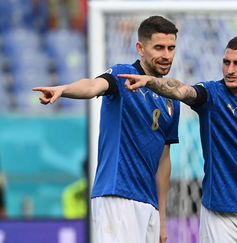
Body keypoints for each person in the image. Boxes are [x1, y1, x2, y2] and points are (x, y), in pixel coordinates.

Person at [118, 34, 237, 243]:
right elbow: (182, 90)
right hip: (219, 216)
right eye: (226, 62)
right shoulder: (211, 95)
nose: (230, 70)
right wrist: (152, 82)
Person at [32, 16, 180, 243]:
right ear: (140, 48)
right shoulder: (123, 75)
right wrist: (64, 89)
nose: (166, 55)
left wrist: (161, 218)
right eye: (159, 47)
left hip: (149, 204)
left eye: (171, 48)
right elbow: (92, 86)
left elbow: (164, 161)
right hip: (118, 196)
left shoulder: (171, 99)